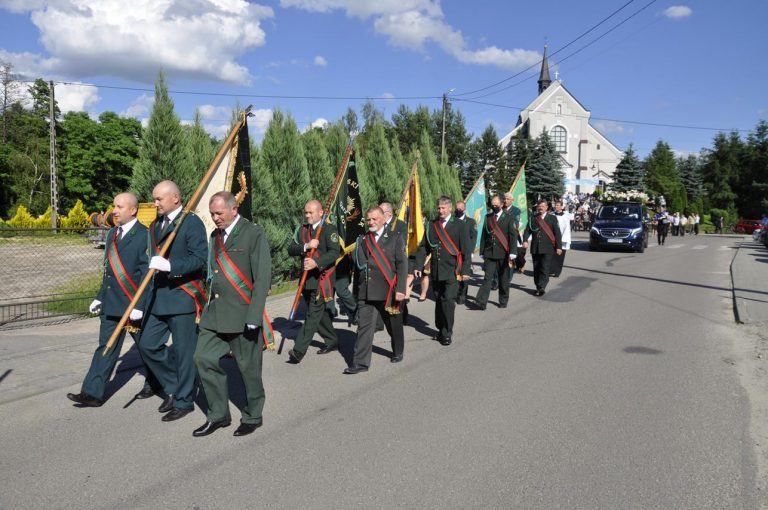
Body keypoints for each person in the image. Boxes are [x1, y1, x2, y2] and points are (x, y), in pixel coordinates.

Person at [191, 192, 271, 437]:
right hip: (215, 314)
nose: (215, 218)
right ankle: (218, 414)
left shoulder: (253, 234)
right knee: (203, 358)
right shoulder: (214, 236)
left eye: (219, 213)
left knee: (249, 369)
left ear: (233, 209)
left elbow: (262, 278)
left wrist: (254, 317)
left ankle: (253, 415)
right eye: (212, 214)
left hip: (243, 313)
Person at [67, 192, 152, 407]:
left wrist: (140, 306)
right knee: (105, 347)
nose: (114, 211)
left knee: (149, 350)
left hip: (133, 306)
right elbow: (108, 272)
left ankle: (162, 383)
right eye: (114, 206)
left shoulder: (145, 235)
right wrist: (99, 297)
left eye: (119, 207)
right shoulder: (112, 233)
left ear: (133, 210)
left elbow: (146, 275)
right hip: (113, 303)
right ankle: (92, 393)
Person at [139, 180, 208, 422]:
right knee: (147, 343)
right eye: (155, 198)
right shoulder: (155, 225)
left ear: (176, 198)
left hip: (182, 296)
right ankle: (177, 384)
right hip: (158, 297)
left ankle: (184, 401)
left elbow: (200, 259)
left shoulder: (191, 223)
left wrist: (171, 266)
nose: (155, 203)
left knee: (183, 352)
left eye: (159, 199)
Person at [344, 207, 408, 374]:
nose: (371, 222)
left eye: (374, 219)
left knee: (393, 324)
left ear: (383, 218)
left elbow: (402, 265)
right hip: (367, 291)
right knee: (364, 327)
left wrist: (401, 289)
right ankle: (360, 363)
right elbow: (359, 269)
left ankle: (398, 350)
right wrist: (356, 293)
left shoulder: (395, 237)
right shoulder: (363, 239)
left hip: (388, 291)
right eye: (369, 219)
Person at [287, 199, 341, 363]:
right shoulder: (302, 231)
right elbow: (291, 249)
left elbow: (334, 253)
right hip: (306, 279)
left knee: (311, 315)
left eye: (311, 212)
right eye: (306, 212)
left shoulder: (329, 229)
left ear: (320, 213)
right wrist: (306, 246)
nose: (308, 215)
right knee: (320, 313)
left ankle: (298, 351)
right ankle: (332, 341)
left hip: (322, 280)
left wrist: (316, 262)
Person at [414, 196, 471, 346]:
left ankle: (447, 332)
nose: (440, 211)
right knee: (439, 300)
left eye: (443, 208)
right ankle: (440, 328)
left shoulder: (460, 225)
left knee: (448, 301)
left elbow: (466, 250)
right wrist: (418, 265)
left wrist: (465, 271)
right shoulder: (432, 225)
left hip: (453, 270)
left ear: (450, 208)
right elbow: (424, 247)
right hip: (436, 270)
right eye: (438, 208)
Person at [474, 195, 516, 310]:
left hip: (503, 253)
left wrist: (513, 252)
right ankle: (481, 302)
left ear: (502, 204)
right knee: (487, 278)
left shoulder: (509, 217)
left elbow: (513, 236)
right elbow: (484, 234)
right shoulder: (488, 217)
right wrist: (482, 251)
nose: (494, 206)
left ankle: (503, 300)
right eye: (492, 205)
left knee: (503, 279)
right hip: (489, 253)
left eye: (496, 205)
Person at [523, 198, 562, 297]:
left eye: (542, 206)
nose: (540, 208)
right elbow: (527, 230)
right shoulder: (533, 218)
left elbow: (557, 233)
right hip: (535, 247)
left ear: (546, 207)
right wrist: (525, 240)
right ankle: (538, 286)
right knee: (536, 268)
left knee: (544, 267)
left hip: (548, 248)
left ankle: (541, 287)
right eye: (539, 206)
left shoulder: (552, 218)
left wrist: (559, 247)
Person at [454, 200, 477, 305]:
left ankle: (462, 294)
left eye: (460, 209)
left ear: (464, 209)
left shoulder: (471, 222)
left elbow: (473, 237)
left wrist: (471, 250)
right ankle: (456, 292)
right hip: (454, 252)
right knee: (455, 273)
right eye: (457, 208)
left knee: (465, 273)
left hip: (466, 252)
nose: (458, 210)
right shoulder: (452, 220)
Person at [551, 199, 572, 278]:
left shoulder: (565, 216)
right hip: (553, 238)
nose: (556, 207)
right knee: (552, 255)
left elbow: (567, 229)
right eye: (556, 205)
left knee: (560, 256)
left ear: (562, 207)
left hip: (562, 239)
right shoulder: (552, 215)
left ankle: (557, 272)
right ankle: (551, 269)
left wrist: (563, 239)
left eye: (558, 205)